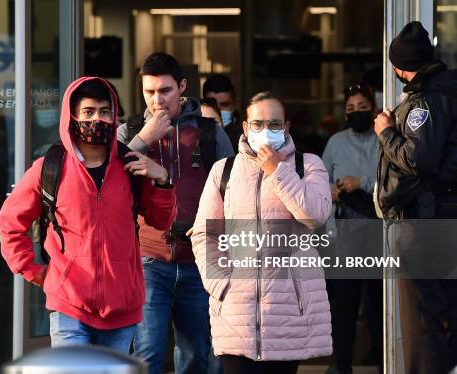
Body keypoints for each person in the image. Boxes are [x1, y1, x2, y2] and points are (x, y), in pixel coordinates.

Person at [0, 77, 176, 352]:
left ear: (114, 115)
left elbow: (161, 221)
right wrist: (35, 272)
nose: (98, 119)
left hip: (122, 308)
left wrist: (162, 180)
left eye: (105, 112)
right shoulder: (50, 167)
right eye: (88, 112)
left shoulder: (131, 166)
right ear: (73, 117)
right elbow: (11, 223)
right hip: (69, 305)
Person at [191, 91, 333, 374]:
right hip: (236, 311)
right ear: (245, 127)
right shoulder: (224, 170)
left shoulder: (308, 165)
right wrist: (220, 284)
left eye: (274, 124)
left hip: (288, 310)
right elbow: (204, 234)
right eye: (257, 124)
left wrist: (278, 171)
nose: (265, 131)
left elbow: (316, 217)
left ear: (287, 128)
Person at [117, 52, 234, 374]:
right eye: (149, 92)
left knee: (197, 355)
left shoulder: (210, 132)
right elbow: (107, 178)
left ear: (182, 87)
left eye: (165, 90)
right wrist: (144, 139)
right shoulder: (129, 133)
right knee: (148, 354)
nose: (157, 99)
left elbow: (234, 189)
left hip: (199, 259)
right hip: (147, 259)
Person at [375, 21, 457, 374]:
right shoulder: (449, 89)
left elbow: (418, 160)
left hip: (427, 222)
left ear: (399, 67)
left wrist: (387, 132)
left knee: (423, 322)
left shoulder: (426, 100)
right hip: (444, 216)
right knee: (444, 315)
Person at [322, 84, 383, 374]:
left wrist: (362, 182)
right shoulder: (335, 142)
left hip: (378, 231)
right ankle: (341, 365)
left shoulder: (384, 140)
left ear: (373, 108)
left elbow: (393, 181)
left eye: (362, 107)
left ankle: (383, 360)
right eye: (350, 109)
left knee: (377, 303)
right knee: (344, 304)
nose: (356, 113)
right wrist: (331, 190)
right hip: (344, 232)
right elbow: (319, 181)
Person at [203, 74, 241, 152]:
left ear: (235, 104)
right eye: (212, 105)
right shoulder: (195, 132)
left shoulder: (246, 135)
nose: (218, 111)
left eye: (224, 105)